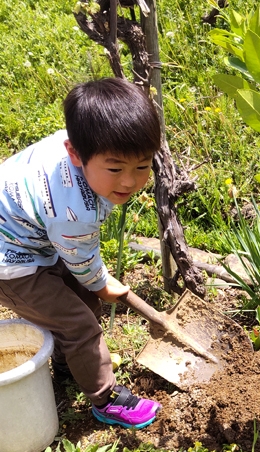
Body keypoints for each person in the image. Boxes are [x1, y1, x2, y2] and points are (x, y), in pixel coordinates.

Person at [0, 78, 162, 429]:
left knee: (83, 303)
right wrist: (102, 283)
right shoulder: (75, 209)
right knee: (79, 323)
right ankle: (106, 400)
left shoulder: (88, 140)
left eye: (143, 166)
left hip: (33, 236)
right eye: (116, 168)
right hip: (10, 263)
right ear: (75, 152)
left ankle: (67, 364)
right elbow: (83, 262)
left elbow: (78, 259)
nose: (130, 182)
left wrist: (94, 287)